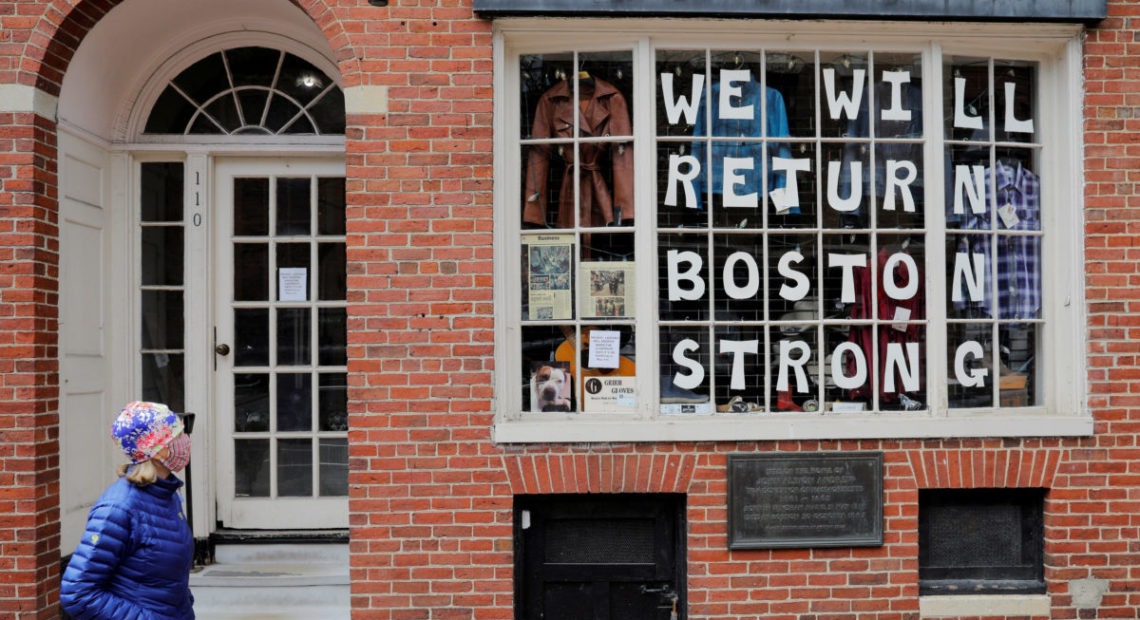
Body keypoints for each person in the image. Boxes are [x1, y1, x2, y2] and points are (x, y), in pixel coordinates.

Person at [60, 401, 195, 619]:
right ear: (158, 450)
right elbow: (78, 593)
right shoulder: (119, 508)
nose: (186, 441)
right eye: (179, 435)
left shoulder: (165, 493)